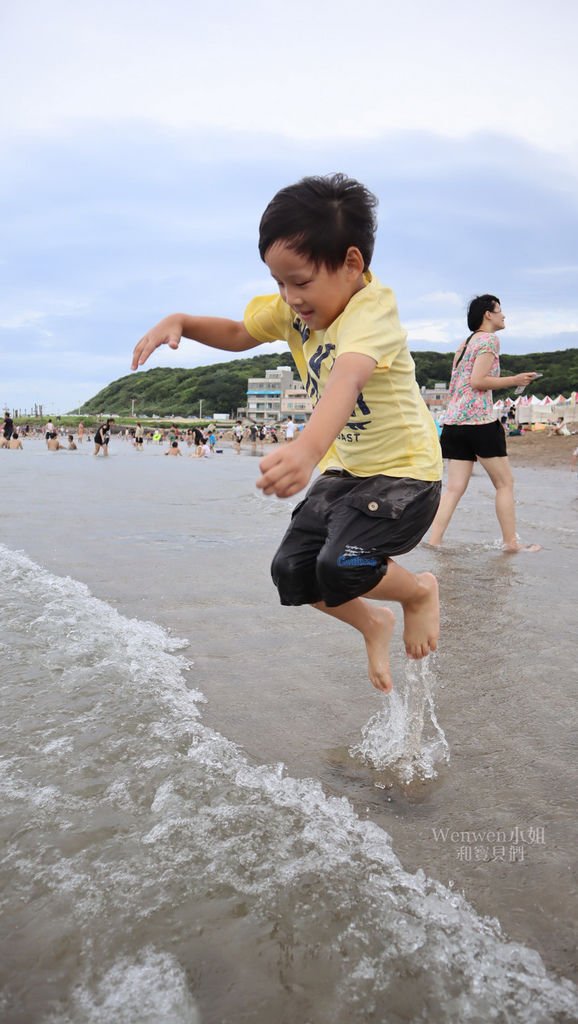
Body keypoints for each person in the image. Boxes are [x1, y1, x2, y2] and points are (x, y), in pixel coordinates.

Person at [131, 173, 442, 694]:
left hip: (404, 476)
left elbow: (348, 377)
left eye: (299, 282)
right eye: (279, 283)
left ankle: (416, 595)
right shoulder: (295, 312)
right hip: (348, 473)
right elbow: (236, 333)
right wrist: (182, 320)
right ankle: (373, 622)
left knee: (342, 564)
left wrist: (305, 448)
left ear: (351, 263)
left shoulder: (373, 311)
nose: (289, 297)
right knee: (293, 571)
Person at [428, 295, 541, 553]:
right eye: (500, 311)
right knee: (504, 484)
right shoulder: (490, 340)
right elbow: (478, 382)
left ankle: (433, 542)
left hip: (453, 423)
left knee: (454, 489)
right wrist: (516, 379)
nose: (504, 316)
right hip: (478, 421)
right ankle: (511, 543)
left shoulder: (464, 344)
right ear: (487, 315)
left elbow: (462, 383)